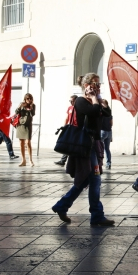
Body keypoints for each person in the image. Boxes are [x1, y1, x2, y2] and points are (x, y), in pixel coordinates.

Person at [52, 73, 114, 226]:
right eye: (95, 83)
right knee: (95, 179)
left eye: (99, 84)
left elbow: (107, 114)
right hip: (85, 146)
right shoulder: (80, 101)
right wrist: (95, 100)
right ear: (87, 86)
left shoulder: (97, 101)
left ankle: (63, 206)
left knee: (89, 179)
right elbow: (93, 112)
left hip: (94, 146)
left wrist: (99, 101)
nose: (98, 87)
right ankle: (96, 215)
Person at [56, 95, 78, 166]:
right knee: (68, 144)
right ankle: (63, 160)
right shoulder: (70, 108)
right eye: (70, 101)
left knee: (73, 145)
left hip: (76, 128)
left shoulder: (79, 108)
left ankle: (68, 161)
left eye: (72, 101)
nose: (71, 102)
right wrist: (64, 126)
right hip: (70, 127)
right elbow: (67, 118)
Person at [15, 93, 36, 167]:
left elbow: (33, 114)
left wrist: (31, 108)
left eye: (30, 98)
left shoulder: (33, 105)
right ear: (25, 99)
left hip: (28, 125)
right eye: (28, 98)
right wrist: (19, 107)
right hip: (20, 125)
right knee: (21, 143)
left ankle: (30, 160)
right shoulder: (22, 104)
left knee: (28, 142)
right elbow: (16, 112)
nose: (29, 100)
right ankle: (23, 160)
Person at [100, 99, 113, 170]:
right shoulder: (109, 113)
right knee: (107, 149)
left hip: (102, 131)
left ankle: (100, 162)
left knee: (100, 148)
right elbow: (111, 124)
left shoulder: (101, 111)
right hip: (109, 132)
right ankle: (108, 163)